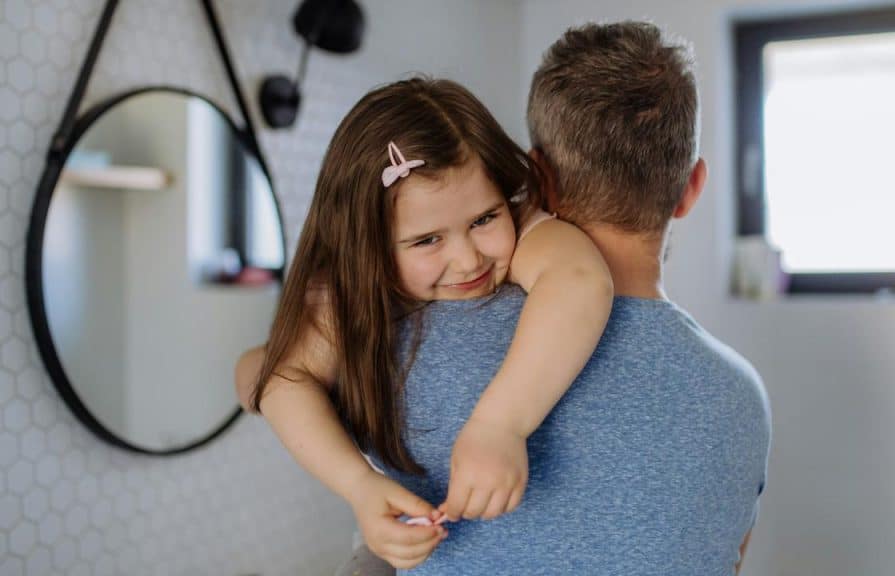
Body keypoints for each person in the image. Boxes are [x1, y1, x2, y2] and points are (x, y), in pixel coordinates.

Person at [369, 21, 772, 574]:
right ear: (691, 188)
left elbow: (271, 377)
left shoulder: (406, 343)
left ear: (537, 178)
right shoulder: (743, 398)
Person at [235, 77, 614, 569]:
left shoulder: (527, 229)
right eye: (426, 241)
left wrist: (500, 424)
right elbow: (282, 379)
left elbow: (580, 278)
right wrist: (361, 486)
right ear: (368, 246)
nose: (466, 258)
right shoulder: (347, 295)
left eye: (484, 219)